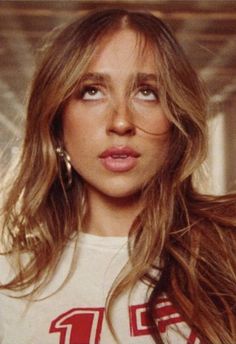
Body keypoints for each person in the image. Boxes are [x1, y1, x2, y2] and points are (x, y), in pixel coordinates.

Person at [0, 8, 235, 344]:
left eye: (147, 92)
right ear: (56, 124)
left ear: (176, 120)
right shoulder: (9, 283)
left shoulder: (228, 251)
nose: (121, 121)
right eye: (92, 91)